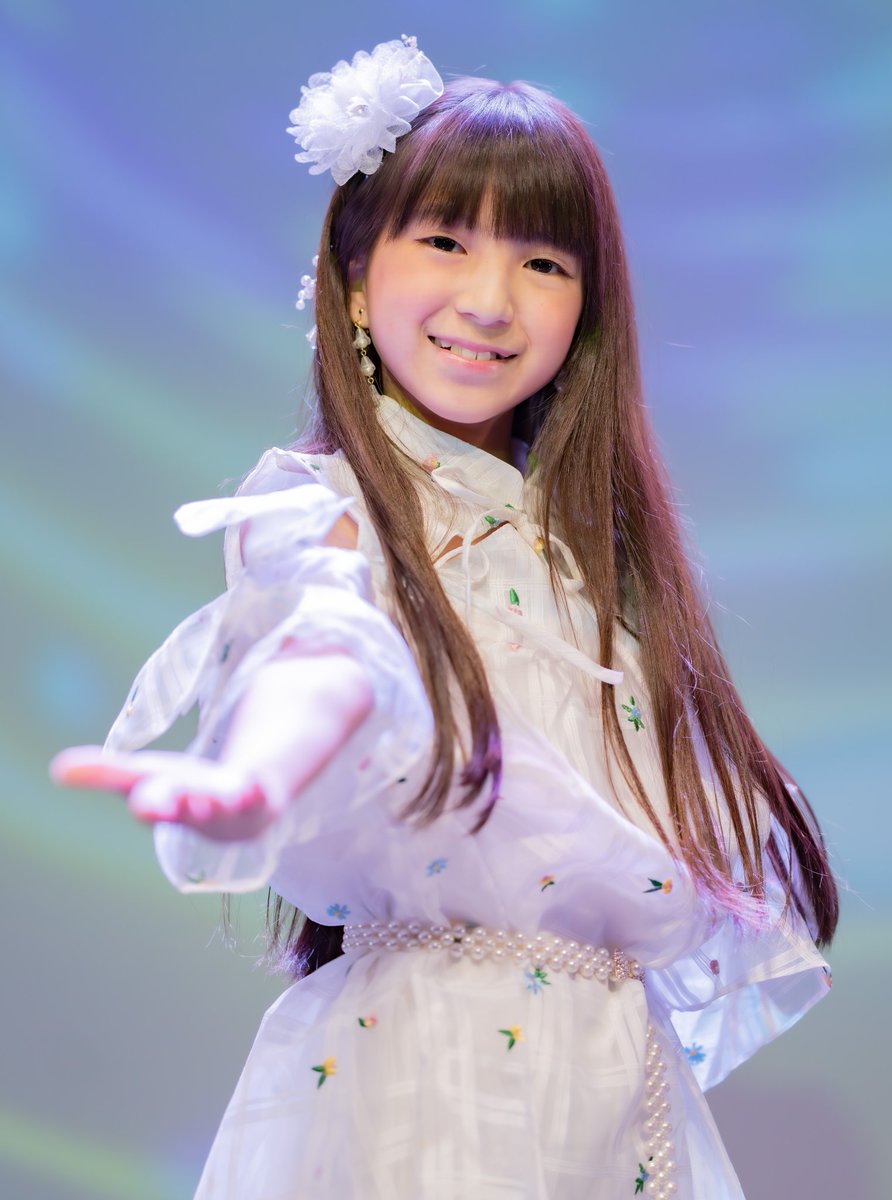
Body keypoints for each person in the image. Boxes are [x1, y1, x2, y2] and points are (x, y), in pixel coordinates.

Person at [52, 36, 838, 1200]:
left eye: (541, 261)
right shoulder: (326, 509)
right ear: (353, 279)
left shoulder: (591, 569)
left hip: (610, 1090)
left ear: (587, 309)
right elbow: (328, 653)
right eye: (444, 241)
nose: (488, 299)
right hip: (422, 1074)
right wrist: (257, 776)